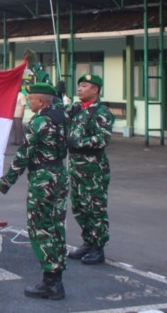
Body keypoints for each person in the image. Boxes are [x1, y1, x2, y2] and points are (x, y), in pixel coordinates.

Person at [0, 82, 68, 300]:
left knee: (39, 227)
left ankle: (50, 283)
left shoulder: (39, 122)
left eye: (31, 98)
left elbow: (24, 155)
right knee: (55, 225)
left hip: (42, 179)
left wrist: (6, 182)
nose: (28, 101)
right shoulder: (61, 118)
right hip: (59, 175)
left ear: (42, 101)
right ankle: (57, 274)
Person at [66, 73, 114, 265]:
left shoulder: (101, 112)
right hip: (76, 166)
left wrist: (77, 141)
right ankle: (88, 241)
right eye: (79, 85)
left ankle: (98, 247)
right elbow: (60, 117)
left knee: (95, 207)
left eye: (84, 85)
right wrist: (58, 97)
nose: (80, 89)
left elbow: (102, 139)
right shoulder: (77, 109)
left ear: (95, 89)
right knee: (79, 206)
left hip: (93, 168)